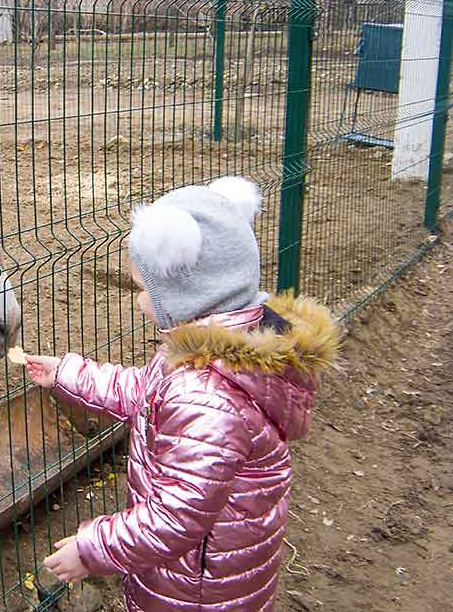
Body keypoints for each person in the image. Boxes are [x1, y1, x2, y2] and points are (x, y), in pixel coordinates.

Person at [24, 177, 340, 611]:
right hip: (212, 567)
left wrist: (90, 549)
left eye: (143, 289)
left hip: (196, 588)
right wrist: (67, 373)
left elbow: (175, 518)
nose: (138, 301)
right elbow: (146, 392)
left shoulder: (205, 394)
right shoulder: (215, 357)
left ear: (189, 292)